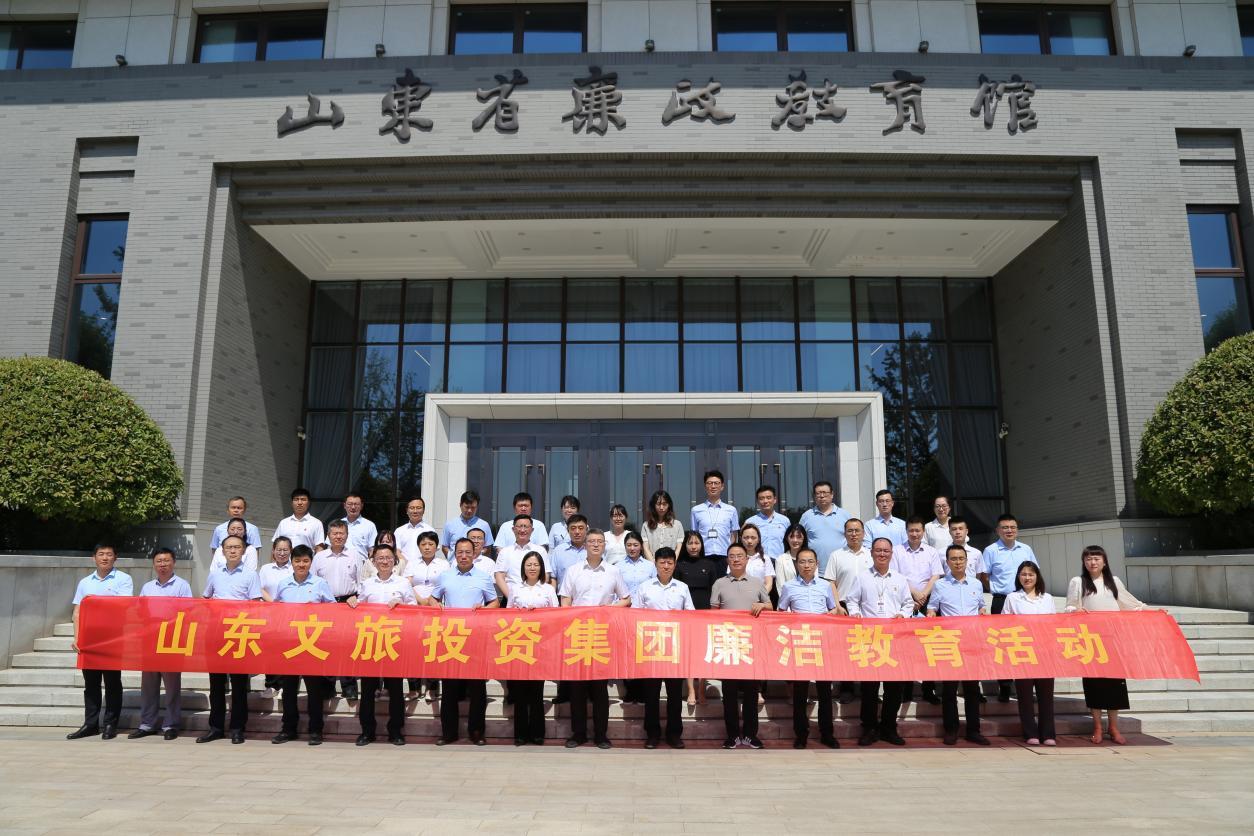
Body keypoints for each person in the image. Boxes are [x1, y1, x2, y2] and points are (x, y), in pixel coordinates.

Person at [1066, 545, 1156, 745]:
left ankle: (1113, 727)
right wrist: (1075, 611)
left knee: (1115, 685)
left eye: (1096, 558)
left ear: (1104, 562)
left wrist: (1153, 612)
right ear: (1084, 562)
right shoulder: (1078, 582)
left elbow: (1130, 604)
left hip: (1113, 640)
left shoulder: (1113, 581)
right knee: (1094, 685)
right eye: (1088, 559)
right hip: (1091, 641)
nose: (1093, 562)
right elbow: (1070, 606)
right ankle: (1097, 727)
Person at [559, 529, 631, 749]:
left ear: (605, 545)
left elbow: (626, 599)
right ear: (585, 545)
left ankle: (601, 734)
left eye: (600, 541)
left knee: (600, 689)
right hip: (578, 635)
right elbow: (565, 601)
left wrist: (609, 609)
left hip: (602, 635)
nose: (596, 545)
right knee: (577, 689)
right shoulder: (573, 570)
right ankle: (578, 733)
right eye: (592, 541)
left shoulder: (613, 571)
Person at [432, 538, 500, 745]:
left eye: (468, 552)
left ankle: (477, 732)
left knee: (477, 688)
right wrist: (435, 605)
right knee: (450, 688)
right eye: (460, 552)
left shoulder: (483, 577)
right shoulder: (445, 576)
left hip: (476, 638)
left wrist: (484, 609)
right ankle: (449, 732)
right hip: (451, 637)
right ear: (454, 553)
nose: (463, 556)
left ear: (475, 554)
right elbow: (433, 598)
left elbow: (495, 603)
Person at [846, 538, 913, 747]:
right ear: (872, 553)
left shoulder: (900, 579)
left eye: (886, 551)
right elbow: (852, 600)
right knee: (869, 688)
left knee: (894, 687)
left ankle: (889, 728)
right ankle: (869, 728)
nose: (882, 554)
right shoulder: (862, 577)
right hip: (870, 637)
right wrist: (855, 614)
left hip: (894, 639)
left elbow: (908, 603)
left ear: (891, 553)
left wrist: (903, 614)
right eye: (878, 550)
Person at [349, 544, 416, 746]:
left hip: (394, 641)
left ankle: (395, 731)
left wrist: (401, 606)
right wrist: (352, 601)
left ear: (394, 560)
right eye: (380, 558)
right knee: (368, 689)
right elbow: (359, 607)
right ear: (374, 561)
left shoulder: (403, 583)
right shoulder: (367, 584)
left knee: (395, 689)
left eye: (388, 557)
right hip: (371, 641)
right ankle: (367, 731)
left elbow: (414, 609)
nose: (384, 561)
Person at [198, 534, 261, 744]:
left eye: (237, 547)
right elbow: (206, 600)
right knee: (216, 683)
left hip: (239, 635)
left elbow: (255, 605)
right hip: (216, 634)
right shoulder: (215, 574)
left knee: (239, 684)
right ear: (222, 551)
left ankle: (237, 728)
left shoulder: (251, 575)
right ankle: (215, 727)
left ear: (243, 550)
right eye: (229, 547)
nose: (233, 551)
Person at [270, 546, 336, 746]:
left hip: (311, 643)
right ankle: (288, 729)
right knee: (289, 689)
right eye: (297, 561)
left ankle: (315, 730)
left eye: (305, 561)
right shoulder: (283, 584)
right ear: (291, 562)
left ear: (311, 562)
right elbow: (276, 610)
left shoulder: (319, 583)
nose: (301, 565)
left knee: (314, 689)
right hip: (290, 643)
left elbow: (333, 609)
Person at [67, 544, 133, 741]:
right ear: (94, 558)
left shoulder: (123, 579)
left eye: (109, 554)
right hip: (89, 639)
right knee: (91, 683)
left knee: (112, 682)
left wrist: (95, 602)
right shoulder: (85, 582)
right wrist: (77, 637)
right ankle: (90, 724)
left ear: (115, 558)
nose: (105, 558)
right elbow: (77, 611)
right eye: (101, 554)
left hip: (112, 637)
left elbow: (123, 606)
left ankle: (111, 724)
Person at [778, 548, 842, 749]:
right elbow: (781, 612)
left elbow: (833, 609)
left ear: (816, 564)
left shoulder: (825, 586)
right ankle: (801, 734)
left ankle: (827, 733)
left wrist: (832, 614)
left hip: (822, 643)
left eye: (810, 561)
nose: (806, 565)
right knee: (800, 692)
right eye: (802, 562)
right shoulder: (788, 587)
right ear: (797, 564)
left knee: (825, 692)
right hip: (800, 643)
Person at [632, 547, 694, 749]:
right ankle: (652, 734)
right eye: (662, 562)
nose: (666, 566)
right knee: (651, 694)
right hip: (650, 648)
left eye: (669, 562)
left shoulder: (682, 587)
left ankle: (674, 734)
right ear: (655, 564)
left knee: (675, 694)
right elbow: (635, 615)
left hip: (674, 647)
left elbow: (691, 615)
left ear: (674, 565)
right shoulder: (645, 587)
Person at [927, 545, 990, 746]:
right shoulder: (940, 585)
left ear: (966, 561)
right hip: (950, 643)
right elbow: (932, 608)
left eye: (961, 558)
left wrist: (982, 613)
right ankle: (951, 729)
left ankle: (973, 730)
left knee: (972, 689)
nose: (958, 562)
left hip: (972, 643)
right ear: (947, 562)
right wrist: (930, 616)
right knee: (949, 690)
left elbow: (981, 606)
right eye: (953, 559)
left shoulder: (976, 584)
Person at [710, 543, 771, 749]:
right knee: (729, 693)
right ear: (727, 560)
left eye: (739, 556)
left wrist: (762, 605)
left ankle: (751, 735)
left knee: (751, 693)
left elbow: (770, 607)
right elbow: (713, 614)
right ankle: (733, 735)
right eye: (732, 556)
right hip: (728, 645)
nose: (736, 559)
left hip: (751, 646)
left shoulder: (757, 582)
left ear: (746, 559)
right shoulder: (719, 583)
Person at [130, 547, 192, 741]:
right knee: (148, 684)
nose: (163, 564)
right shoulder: (147, 587)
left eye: (166, 561)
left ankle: (171, 724)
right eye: (159, 561)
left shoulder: (182, 586)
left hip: (172, 640)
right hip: (150, 640)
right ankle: (147, 724)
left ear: (173, 563)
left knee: (172, 685)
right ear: (154, 564)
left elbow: (188, 612)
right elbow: (140, 612)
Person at [980, 513, 1038, 701]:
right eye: (1005, 527)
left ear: (1017, 530)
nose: (1009, 530)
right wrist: (995, 589)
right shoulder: (990, 550)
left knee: (1025, 643)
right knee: (1002, 645)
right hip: (1002, 600)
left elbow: (1035, 572)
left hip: (1024, 600)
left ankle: (1025, 686)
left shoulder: (1026, 549)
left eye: (1012, 527)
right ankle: (1004, 686)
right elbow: (984, 575)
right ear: (998, 530)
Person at [506, 551, 559, 745]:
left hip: (540, 645)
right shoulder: (515, 589)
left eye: (536, 564)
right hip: (519, 645)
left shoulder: (548, 589)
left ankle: (537, 733)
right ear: (523, 568)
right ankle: (520, 734)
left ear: (541, 568)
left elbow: (556, 615)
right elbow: (507, 615)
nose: (532, 568)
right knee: (520, 692)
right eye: (529, 564)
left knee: (537, 692)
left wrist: (539, 614)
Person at [1003, 560, 1057, 746]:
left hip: (1044, 652)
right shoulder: (1012, 598)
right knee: (1025, 696)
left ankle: (1048, 734)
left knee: (1046, 696)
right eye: (1024, 574)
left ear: (1037, 577)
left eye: (1031, 574)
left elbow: (1053, 624)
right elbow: (1004, 624)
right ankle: (1030, 733)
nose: (1027, 578)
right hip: (1022, 652)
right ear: (1018, 577)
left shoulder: (1047, 598)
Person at [313, 519, 365, 699]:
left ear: (347, 535)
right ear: (328, 536)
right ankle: (327, 686)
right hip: (325, 605)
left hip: (347, 604)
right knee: (326, 645)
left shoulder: (355, 555)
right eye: (334, 533)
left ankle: (348, 686)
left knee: (347, 645)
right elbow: (313, 582)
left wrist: (356, 597)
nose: (338, 536)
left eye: (341, 533)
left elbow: (362, 582)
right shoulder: (319, 557)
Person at [821, 517, 871, 704]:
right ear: (845, 533)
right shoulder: (837, 555)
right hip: (843, 606)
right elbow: (831, 582)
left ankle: (868, 688)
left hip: (867, 607)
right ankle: (847, 687)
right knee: (846, 649)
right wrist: (837, 605)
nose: (854, 534)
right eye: (850, 531)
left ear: (863, 533)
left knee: (867, 649)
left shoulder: (870, 554)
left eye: (857, 530)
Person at [676, 530, 723, 706]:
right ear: (685, 545)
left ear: (702, 545)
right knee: (689, 652)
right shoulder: (680, 565)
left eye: (697, 543)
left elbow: (715, 590)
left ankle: (702, 690)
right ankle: (691, 690)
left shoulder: (709, 564)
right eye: (690, 543)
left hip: (705, 614)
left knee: (703, 652)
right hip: (686, 614)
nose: (693, 546)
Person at [404, 530, 448, 700]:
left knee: (433, 648)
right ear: (418, 546)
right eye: (423, 544)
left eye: (431, 544)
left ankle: (432, 687)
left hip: (435, 610)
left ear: (437, 546)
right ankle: (414, 688)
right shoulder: (412, 563)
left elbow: (445, 585)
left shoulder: (444, 564)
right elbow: (406, 584)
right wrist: (421, 600)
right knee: (413, 649)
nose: (427, 547)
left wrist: (431, 599)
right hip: (415, 610)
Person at [616, 530, 658, 705]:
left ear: (641, 546)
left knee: (642, 652)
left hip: (644, 614)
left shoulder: (650, 566)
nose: (632, 548)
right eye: (629, 545)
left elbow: (655, 587)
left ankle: (641, 690)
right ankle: (630, 690)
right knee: (627, 652)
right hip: (625, 612)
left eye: (635, 545)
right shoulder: (618, 566)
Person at [495, 515, 552, 598]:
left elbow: (545, 575)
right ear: (513, 529)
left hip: (536, 598)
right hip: (510, 598)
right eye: (519, 526)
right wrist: (511, 598)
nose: (522, 530)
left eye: (526, 526)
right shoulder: (505, 552)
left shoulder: (540, 551)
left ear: (532, 530)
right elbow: (499, 577)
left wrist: (535, 595)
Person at [799, 480, 852, 564]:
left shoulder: (845, 515)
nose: (822, 496)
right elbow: (800, 540)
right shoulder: (806, 516)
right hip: (814, 567)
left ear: (832, 494)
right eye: (818, 493)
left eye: (825, 493)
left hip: (842, 565)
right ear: (814, 496)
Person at [690, 469, 739, 558]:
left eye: (716, 483)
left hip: (724, 555)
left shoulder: (731, 510)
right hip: (704, 556)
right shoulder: (696, 510)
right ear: (705, 486)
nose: (713, 486)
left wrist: (731, 554)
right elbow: (694, 535)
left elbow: (734, 536)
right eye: (709, 483)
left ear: (722, 486)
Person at [744, 484, 790, 559]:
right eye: (761, 498)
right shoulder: (750, 522)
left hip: (779, 562)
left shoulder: (785, 520)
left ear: (775, 499)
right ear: (757, 501)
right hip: (758, 561)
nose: (765, 501)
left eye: (768, 498)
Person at [440, 490, 492, 556]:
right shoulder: (450, 525)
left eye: (473, 507)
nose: (469, 510)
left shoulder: (484, 525)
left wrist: (477, 558)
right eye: (467, 507)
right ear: (460, 505)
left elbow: (487, 548)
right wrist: (453, 559)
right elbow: (445, 547)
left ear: (477, 507)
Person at [273, 487, 325, 551]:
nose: (299, 503)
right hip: (284, 558)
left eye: (303, 499)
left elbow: (319, 548)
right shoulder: (283, 523)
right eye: (296, 499)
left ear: (309, 503)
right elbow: (275, 546)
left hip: (306, 557)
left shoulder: (316, 523)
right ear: (292, 503)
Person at [549, 513, 589, 588]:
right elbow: (553, 577)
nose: (577, 532)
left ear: (586, 530)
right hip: (563, 594)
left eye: (581, 528)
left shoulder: (593, 550)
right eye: (573, 528)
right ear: (568, 530)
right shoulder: (558, 551)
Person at [642, 490, 684, 561]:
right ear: (653, 505)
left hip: (671, 564)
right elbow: (645, 548)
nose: (661, 507)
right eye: (658, 504)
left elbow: (678, 548)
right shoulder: (646, 525)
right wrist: (654, 564)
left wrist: (670, 563)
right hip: (651, 564)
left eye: (664, 504)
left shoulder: (677, 525)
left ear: (669, 505)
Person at [394, 496, 436, 566]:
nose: (415, 511)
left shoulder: (430, 530)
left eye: (418, 508)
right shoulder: (399, 531)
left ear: (423, 510)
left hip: (424, 568)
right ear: (407, 511)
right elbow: (396, 551)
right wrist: (407, 564)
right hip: (403, 568)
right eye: (412, 508)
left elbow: (432, 551)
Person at [335, 493, 378, 560]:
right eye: (350, 504)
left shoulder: (369, 525)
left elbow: (372, 549)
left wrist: (370, 564)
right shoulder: (337, 524)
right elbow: (330, 546)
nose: (353, 507)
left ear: (361, 506)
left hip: (362, 564)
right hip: (339, 562)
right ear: (344, 505)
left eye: (356, 504)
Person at [736, 523, 773, 596]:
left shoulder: (765, 558)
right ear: (741, 539)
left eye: (753, 538)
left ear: (758, 539)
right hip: (740, 598)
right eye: (746, 537)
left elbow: (769, 583)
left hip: (761, 599)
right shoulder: (736, 558)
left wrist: (760, 597)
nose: (749, 541)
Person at [774, 523, 808, 589]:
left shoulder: (811, 558)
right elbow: (780, 586)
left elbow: (814, 582)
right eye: (792, 537)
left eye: (799, 537)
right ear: (787, 538)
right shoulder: (780, 560)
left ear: (804, 538)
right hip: (788, 595)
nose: (795, 540)